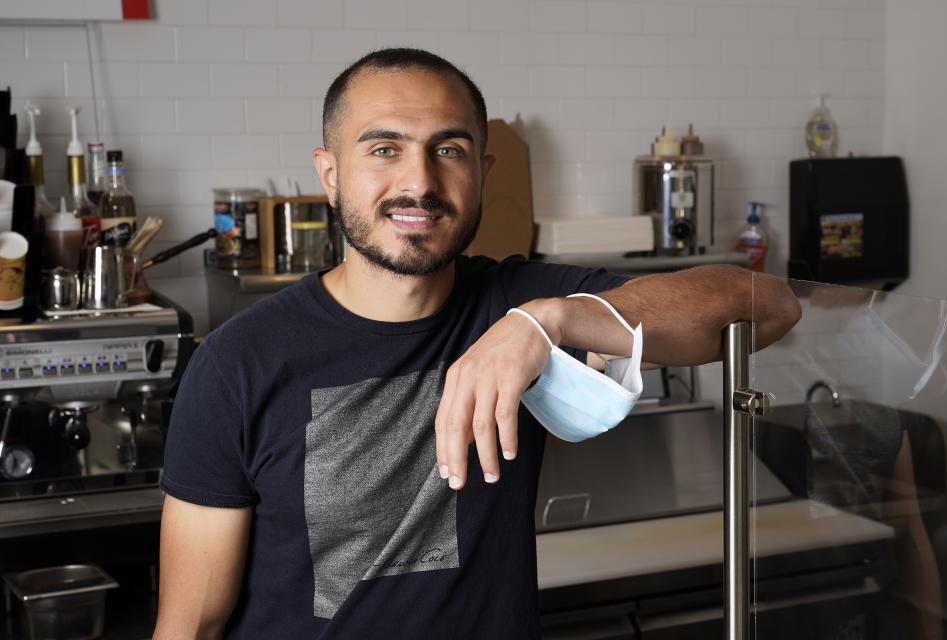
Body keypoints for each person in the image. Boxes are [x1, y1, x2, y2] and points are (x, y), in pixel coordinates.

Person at [153, 48, 801, 639]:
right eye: (384, 149)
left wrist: (548, 321)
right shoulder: (238, 364)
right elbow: (190, 626)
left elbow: (767, 307)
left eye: (450, 150)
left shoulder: (522, 306)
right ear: (329, 173)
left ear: (483, 172)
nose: (421, 183)